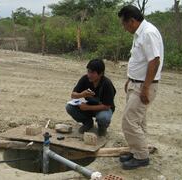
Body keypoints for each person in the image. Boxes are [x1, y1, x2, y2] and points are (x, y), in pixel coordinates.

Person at [118, 5, 164, 170]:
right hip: (136, 83)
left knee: (129, 121)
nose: (124, 28)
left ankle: (141, 157)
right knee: (138, 121)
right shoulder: (140, 34)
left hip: (143, 86)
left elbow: (154, 61)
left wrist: (145, 87)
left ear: (132, 21)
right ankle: (137, 150)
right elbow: (140, 60)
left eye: (124, 24)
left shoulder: (148, 33)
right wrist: (130, 79)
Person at [66, 59, 116, 136]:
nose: (89, 75)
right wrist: (82, 95)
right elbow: (73, 95)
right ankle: (88, 123)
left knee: (103, 117)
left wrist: (87, 107)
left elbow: (107, 106)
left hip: (102, 109)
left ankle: (102, 127)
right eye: (88, 71)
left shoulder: (107, 84)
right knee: (69, 107)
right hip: (89, 106)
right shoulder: (85, 79)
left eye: (92, 73)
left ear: (101, 74)